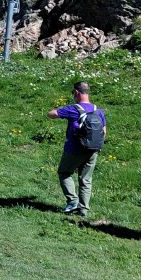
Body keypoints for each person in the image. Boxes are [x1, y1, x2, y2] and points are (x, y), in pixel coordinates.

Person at [48, 81, 107, 218]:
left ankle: (73, 201)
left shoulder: (73, 109)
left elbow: (51, 114)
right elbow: (104, 132)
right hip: (93, 150)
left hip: (74, 149)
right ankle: (84, 210)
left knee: (64, 172)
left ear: (76, 92)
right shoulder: (99, 111)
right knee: (86, 179)